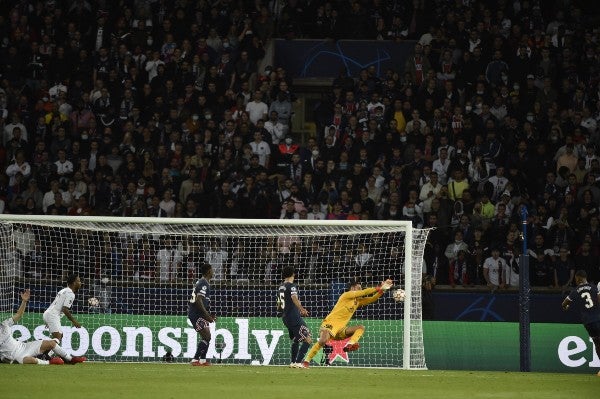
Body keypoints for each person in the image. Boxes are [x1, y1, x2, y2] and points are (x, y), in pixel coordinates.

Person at [302, 278, 393, 367]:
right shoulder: (346, 295)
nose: (360, 290)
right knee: (322, 341)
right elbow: (364, 292)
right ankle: (306, 362)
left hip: (341, 329)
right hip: (330, 324)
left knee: (361, 328)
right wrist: (380, 287)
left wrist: (382, 290)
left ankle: (350, 344)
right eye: (358, 288)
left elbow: (372, 299)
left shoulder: (357, 301)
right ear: (352, 288)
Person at [0, 289, 85, 365]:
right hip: (15, 356)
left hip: (24, 346)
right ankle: (49, 362)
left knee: (51, 343)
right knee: (24, 360)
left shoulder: (4, 324)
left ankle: (70, 359)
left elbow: (19, 314)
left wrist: (24, 301)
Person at [561, 270, 600, 376]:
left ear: (578, 278)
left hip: (588, 322)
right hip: (598, 318)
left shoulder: (575, 290)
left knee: (597, 343)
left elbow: (564, 304)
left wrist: (567, 307)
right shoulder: (594, 287)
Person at [277, 266, 311, 368]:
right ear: (293, 274)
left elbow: (279, 304)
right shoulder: (292, 286)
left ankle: (293, 362)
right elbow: (294, 297)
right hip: (294, 317)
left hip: (285, 317)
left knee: (296, 338)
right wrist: (301, 309)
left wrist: (282, 312)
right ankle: (298, 362)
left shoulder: (281, 286)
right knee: (308, 339)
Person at [188, 263, 216, 366]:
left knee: (208, 336)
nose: (213, 272)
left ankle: (203, 360)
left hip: (200, 313)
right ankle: (195, 359)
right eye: (212, 270)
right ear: (208, 271)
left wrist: (207, 315)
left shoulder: (203, 282)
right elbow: (198, 300)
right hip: (196, 314)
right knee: (207, 336)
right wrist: (207, 315)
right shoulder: (203, 283)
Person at [42, 273, 83, 344]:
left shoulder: (63, 290)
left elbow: (56, 304)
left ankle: (46, 353)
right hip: (52, 315)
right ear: (74, 283)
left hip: (49, 313)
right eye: (79, 281)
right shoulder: (70, 294)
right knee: (58, 337)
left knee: (59, 336)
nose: (80, 283)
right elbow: (65, 309)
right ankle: (44, 353)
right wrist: (74, 321)